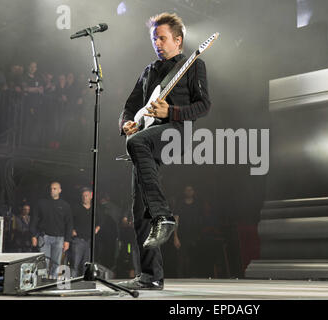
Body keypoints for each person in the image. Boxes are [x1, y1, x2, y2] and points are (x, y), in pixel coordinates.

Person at [117, 12, 211, 290]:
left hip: (176, 133)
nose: (157, 43)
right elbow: (129, 104)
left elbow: (204, 105)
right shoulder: (148, 71)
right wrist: (126, 123)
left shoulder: (194, 65)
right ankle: (151, 275)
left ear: (178, 40)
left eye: (162, 38)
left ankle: (164, 215)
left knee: (135, 144)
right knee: (137, 209)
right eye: (154, 38)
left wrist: (172, 111)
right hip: (148, 137)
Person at [30, 182, 73, 279]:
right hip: (44, 236)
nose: (52, 190)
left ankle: (52, 281)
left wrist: (67, 240)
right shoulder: (41, 203)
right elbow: (34, 219)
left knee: (56, 262)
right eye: (51, 188)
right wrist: (33, 235)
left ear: (59, 190)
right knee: (43, 262)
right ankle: (42, 281)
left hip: (59, 238)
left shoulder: (65, 205)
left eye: (54, 188)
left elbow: (69, 223)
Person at [70, 187, 100, 278]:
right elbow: (69, 220)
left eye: (86, 196)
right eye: (83, 196)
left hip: (89, 240)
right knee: (75, 264)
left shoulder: (95, 209)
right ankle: (73, 283)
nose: (84, 197)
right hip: (78, 240)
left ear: (91, 196)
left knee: (86, 265)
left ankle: (85, 283)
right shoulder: (76, 208)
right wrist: (71, 230)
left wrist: (98, 227)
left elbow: (102, 219)